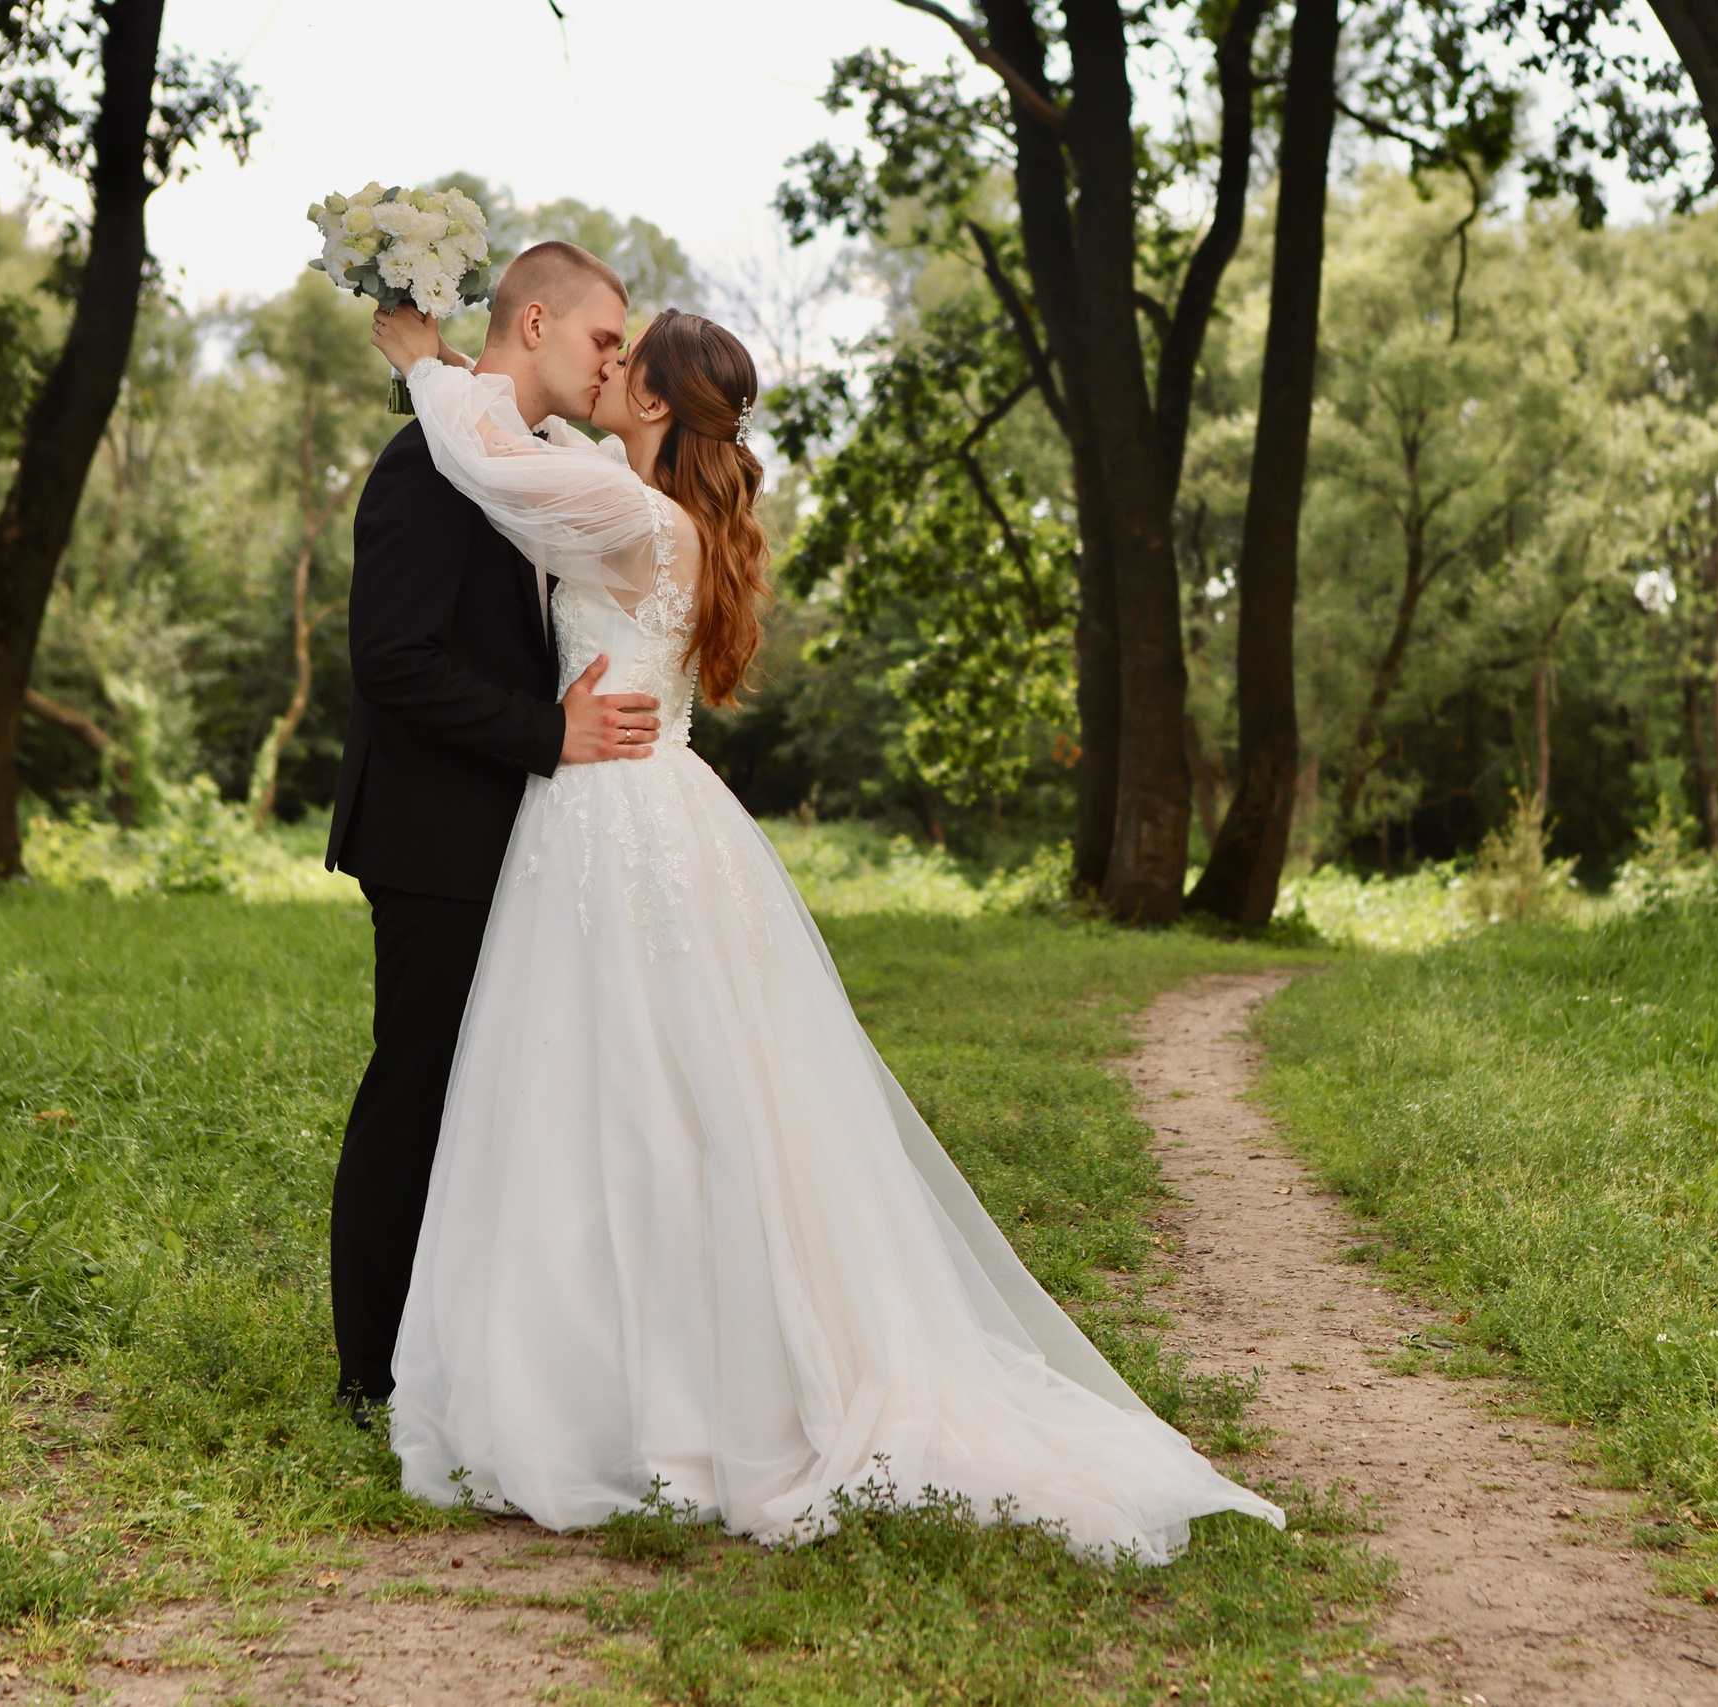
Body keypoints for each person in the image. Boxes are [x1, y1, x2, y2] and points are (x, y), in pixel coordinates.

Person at [364, 298, 1282, 1562]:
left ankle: (640, 1392)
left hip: (609, 818)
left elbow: (480, 457)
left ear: (653, 406)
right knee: (646, 1099)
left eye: (626, 362)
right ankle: (623, 1363)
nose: (608, 366)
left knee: (622, 1094)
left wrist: (422, 361)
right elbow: (522, 458)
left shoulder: (633, 519)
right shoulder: (654, 510)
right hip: (637, 814)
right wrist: (479, 371)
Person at [323, 243, 663, 1423]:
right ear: (532, 322)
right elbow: (392, 662)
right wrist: (548, 734)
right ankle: (371, 1370)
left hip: (515, 833)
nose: (615, 360)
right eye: (602, 339)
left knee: (497, 1099)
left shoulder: (529, 461)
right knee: (417, 1090)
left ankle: (465, 1342)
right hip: (429, 830)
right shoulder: (428, 464)